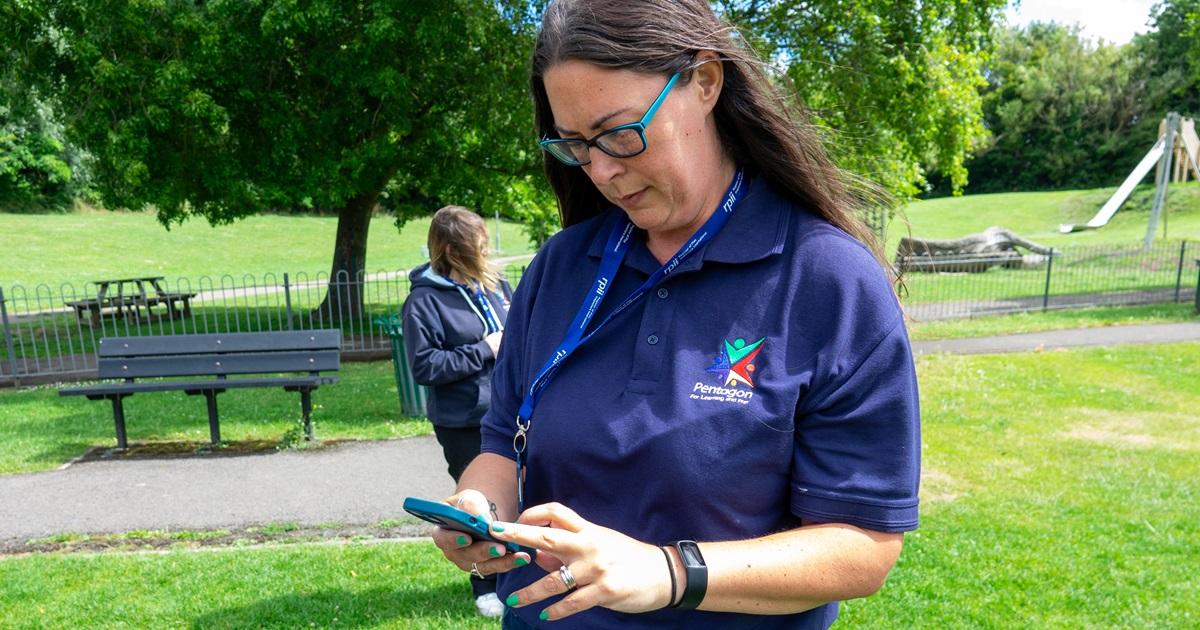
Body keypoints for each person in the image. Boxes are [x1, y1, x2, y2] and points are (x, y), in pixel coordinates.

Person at [431, 1, 921, 628]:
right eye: (576, 145)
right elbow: (504, 441)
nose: (602, 170)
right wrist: (479, 504)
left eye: (619, 132)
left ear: (706, 81)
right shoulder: (560, 267)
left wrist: (666, 572)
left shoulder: (828, 279)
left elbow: (862, 549)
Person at [401, 205, 513, 618]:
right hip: (464, 420)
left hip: (511, 412)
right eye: (476, 246)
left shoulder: (495, 284)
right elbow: (425, 365)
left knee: (524, 494)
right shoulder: (423, 301)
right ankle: (485, 583)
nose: (485, 253)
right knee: (478, 503)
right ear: (451, 250)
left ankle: (515, 571)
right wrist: (485, 349)